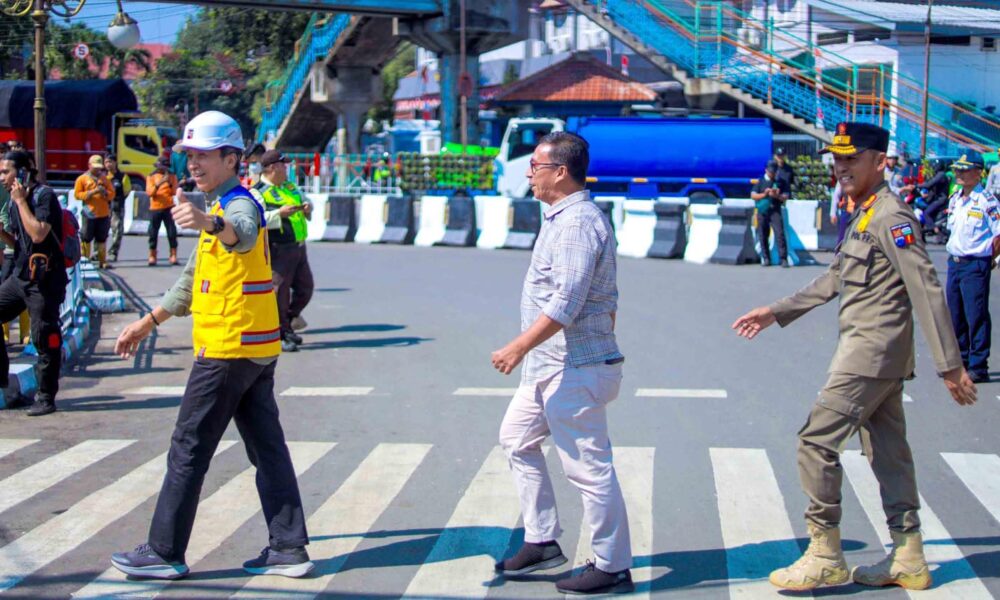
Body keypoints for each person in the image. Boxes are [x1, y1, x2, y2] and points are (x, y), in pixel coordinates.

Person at [732, 122, 977, 592]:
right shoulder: (865, 214)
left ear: (879, 162)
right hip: (871, 354)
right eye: (837, 158)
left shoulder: (892, 217)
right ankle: (908, 554)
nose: (840, 167)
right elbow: (833, 280)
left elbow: (926, 289)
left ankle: (825, 552)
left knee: (815, 441)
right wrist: (776, 311)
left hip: (870, 354)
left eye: (851, 158)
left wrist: (949, 365)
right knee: (887, 452)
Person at [110, 111, 313, 580]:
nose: (193, 164)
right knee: (267, 447)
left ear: (231, 158)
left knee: (188, 446)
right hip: (255, 349)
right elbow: (191, 281)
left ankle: (164, 552)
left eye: (202, 155)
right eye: (189, 155)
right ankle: (288, 547)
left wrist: (207, 221)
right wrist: (148, 322)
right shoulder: (222, 203)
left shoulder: (236, 205)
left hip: (228, 348)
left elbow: (239, 235)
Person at [492, 131, 633, 596]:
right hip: (551, 364)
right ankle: (542, 539)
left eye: (535, 165)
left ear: (560, 172)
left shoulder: (576, 224)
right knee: (516, 440)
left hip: (576, 366)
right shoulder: (559, 217)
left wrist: (517, 346)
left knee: (588, 468)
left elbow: (568, 300)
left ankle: (612, 564)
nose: (528, 172)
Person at [0, 151, 67, 416]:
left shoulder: (43, 197)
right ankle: (4, 385)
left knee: (44, 337)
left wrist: (20, 202)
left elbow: (39, 233)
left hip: (45, 281)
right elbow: (22, 244)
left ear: (24, 172)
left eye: (6, 171)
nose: (2, 177)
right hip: (21, 277)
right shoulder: (15, 203)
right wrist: (2, 234)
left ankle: (46, 397)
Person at [944, 151, 1000, 384]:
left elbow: (998, 234)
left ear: (978, 173)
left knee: (975, 315)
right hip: (954, 263)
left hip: (975, 264)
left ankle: (978, 365)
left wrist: (988, 259)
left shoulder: (987, 201)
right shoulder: (955, 198)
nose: (959, 173)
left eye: (965, 170)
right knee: (955, 315)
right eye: (958, 169)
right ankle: (961, 362)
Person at [252, 149, 313, 353]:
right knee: (280, 292)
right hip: (278, 248)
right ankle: (282, 333)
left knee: (306, 288)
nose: (286, 169)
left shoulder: (289, 186)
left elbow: (306, 200)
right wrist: (279, 213)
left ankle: (288, 320)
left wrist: (307, 207)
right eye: (282, 165)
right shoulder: (258, 192)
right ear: (271, 169)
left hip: (298, 245)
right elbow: (256, 220)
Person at [74, 154, 114, 269]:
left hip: (103, 213)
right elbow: (77, 195)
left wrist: (105, 193)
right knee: (86, 238)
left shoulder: (104, 179)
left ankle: (102, 261)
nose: (97, 169)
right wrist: (92, 192)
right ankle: (84, 261)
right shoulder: (82, 179)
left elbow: (112, 194)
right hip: (89, 213)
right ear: (89, 165)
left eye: (99, 167)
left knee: (102, 238)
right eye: (95, 167)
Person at [752, 160, 791, 267]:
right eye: (770, 172)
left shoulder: (780, 182)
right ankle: (766, 258)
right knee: (763, 234)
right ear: (766, 170)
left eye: (774, 172)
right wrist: (765, 194)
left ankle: (783, 258)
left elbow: (785, 197)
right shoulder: (761, 181)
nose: (772, 174)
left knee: (779, 234)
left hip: (775, 209)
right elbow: (753, 195)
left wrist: (777, 195)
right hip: (763, 211)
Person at [146, 158, 179, 266]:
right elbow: (150, 192)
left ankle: (173, 254)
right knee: (153, 232)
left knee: (171, 232)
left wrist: (169, 183)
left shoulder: (172, 176)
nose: (164, 169)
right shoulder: (151, 176)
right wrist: (159, 183)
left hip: (168, 206)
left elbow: (175, 191)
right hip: (155, 207)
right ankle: (152, 254)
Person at [105, 154, 132, 263]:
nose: (108, 164)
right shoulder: (103, 177)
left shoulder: (122, 177)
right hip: (104, 208)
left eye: (110, 162)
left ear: (115, 163)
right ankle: (99, 254)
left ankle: (113, 253)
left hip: (117, 207)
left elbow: (127, 191)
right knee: (101, 232)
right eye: (106, 162)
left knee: (117, 231)